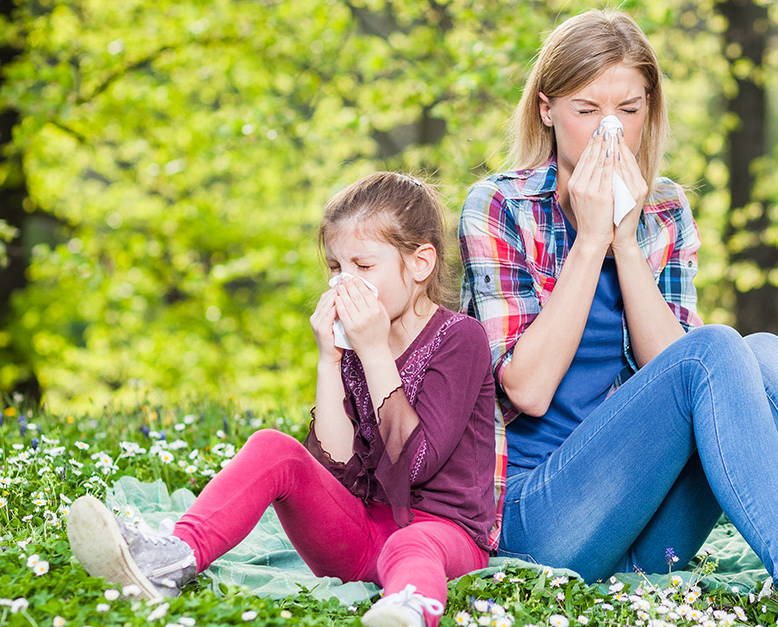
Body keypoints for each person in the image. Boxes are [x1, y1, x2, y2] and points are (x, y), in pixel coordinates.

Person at [458, 10, 778, 627]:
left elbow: (686, 371)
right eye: (587, 111)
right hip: (543, 522)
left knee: (763, 351)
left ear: (650, 109)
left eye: (628, 111)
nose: (608, 133)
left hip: (646, 528)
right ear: (547, 110)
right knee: (718, 345)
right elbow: (524, 390)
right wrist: (589, 243)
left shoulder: (663, 209)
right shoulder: (501, 205)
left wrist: (626, 239)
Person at [69, 172, 498, 627]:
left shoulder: (459, 338)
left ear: (420, 263)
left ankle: (407, 610)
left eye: (363, 266)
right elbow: (334, 469)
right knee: (274, 446)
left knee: (409, 545)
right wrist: (329, 361)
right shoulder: (355, 345)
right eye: (335, 268)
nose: (343, 284)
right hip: (360, 539)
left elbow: (414, 465)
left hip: (444, 538)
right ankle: (171, 560)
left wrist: (373, 350)